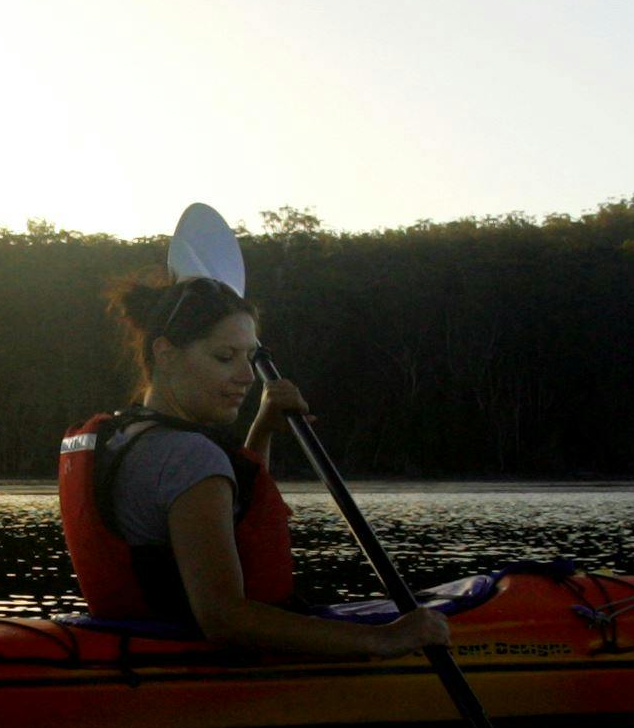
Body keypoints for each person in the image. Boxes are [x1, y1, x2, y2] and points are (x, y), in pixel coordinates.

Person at [57, 273, 452, 659]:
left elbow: (233, 516)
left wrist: (262, 429)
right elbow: (225, 618)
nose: (247, 376)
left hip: (137, 652)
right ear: (165, 352)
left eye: (249, 357)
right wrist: (383, 640)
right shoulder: (188, 457)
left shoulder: (126, 436)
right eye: (225, 357)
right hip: (195, 670)